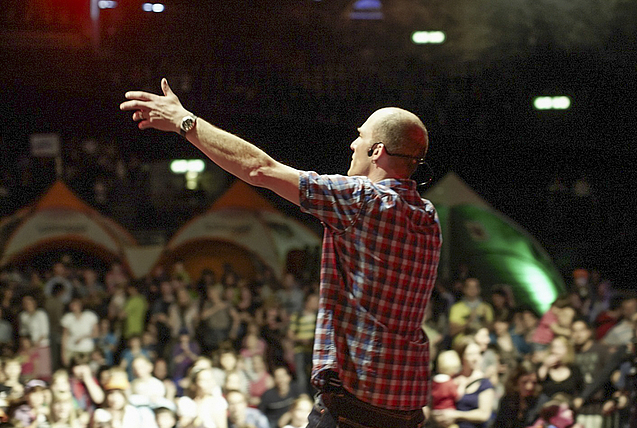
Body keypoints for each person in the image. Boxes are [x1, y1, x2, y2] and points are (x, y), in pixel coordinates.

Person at [121, 79, 441, 428]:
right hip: (406, 410)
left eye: (360, 137)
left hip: (354, 407)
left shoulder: (361, 200)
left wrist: (185, 121)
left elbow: (260, 169)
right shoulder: (428, 218)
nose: (353, 143)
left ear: (377, 151)